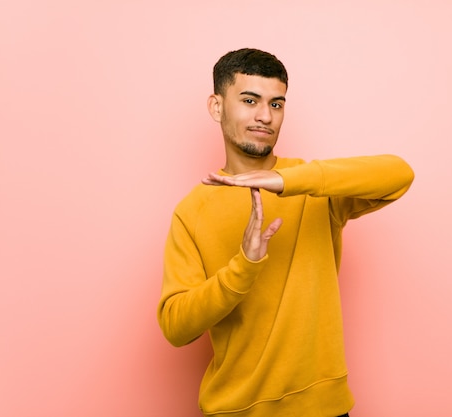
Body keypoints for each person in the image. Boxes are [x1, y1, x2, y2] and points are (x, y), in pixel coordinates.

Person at [157, 48, 414, 417]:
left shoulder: (312, 189)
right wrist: (243, 266)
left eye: (277, 104)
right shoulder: (191, 211)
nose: (265, 116)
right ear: (216, 107)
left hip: (323, 407)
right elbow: (176, 327)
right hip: (233, 409)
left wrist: (285, 181)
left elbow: (399, 174)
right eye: (250, 100)